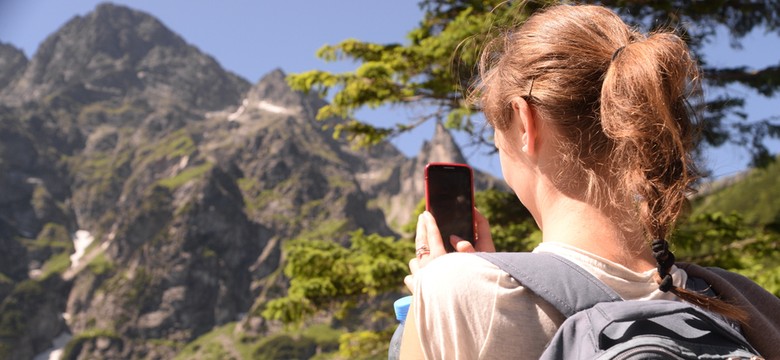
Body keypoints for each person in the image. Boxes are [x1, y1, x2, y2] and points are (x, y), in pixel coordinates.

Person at [399, 4, 780, 359]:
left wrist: (431, 303)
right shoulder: (748, 304)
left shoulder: (458, 289)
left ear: (523, 122)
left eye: (498, 134)